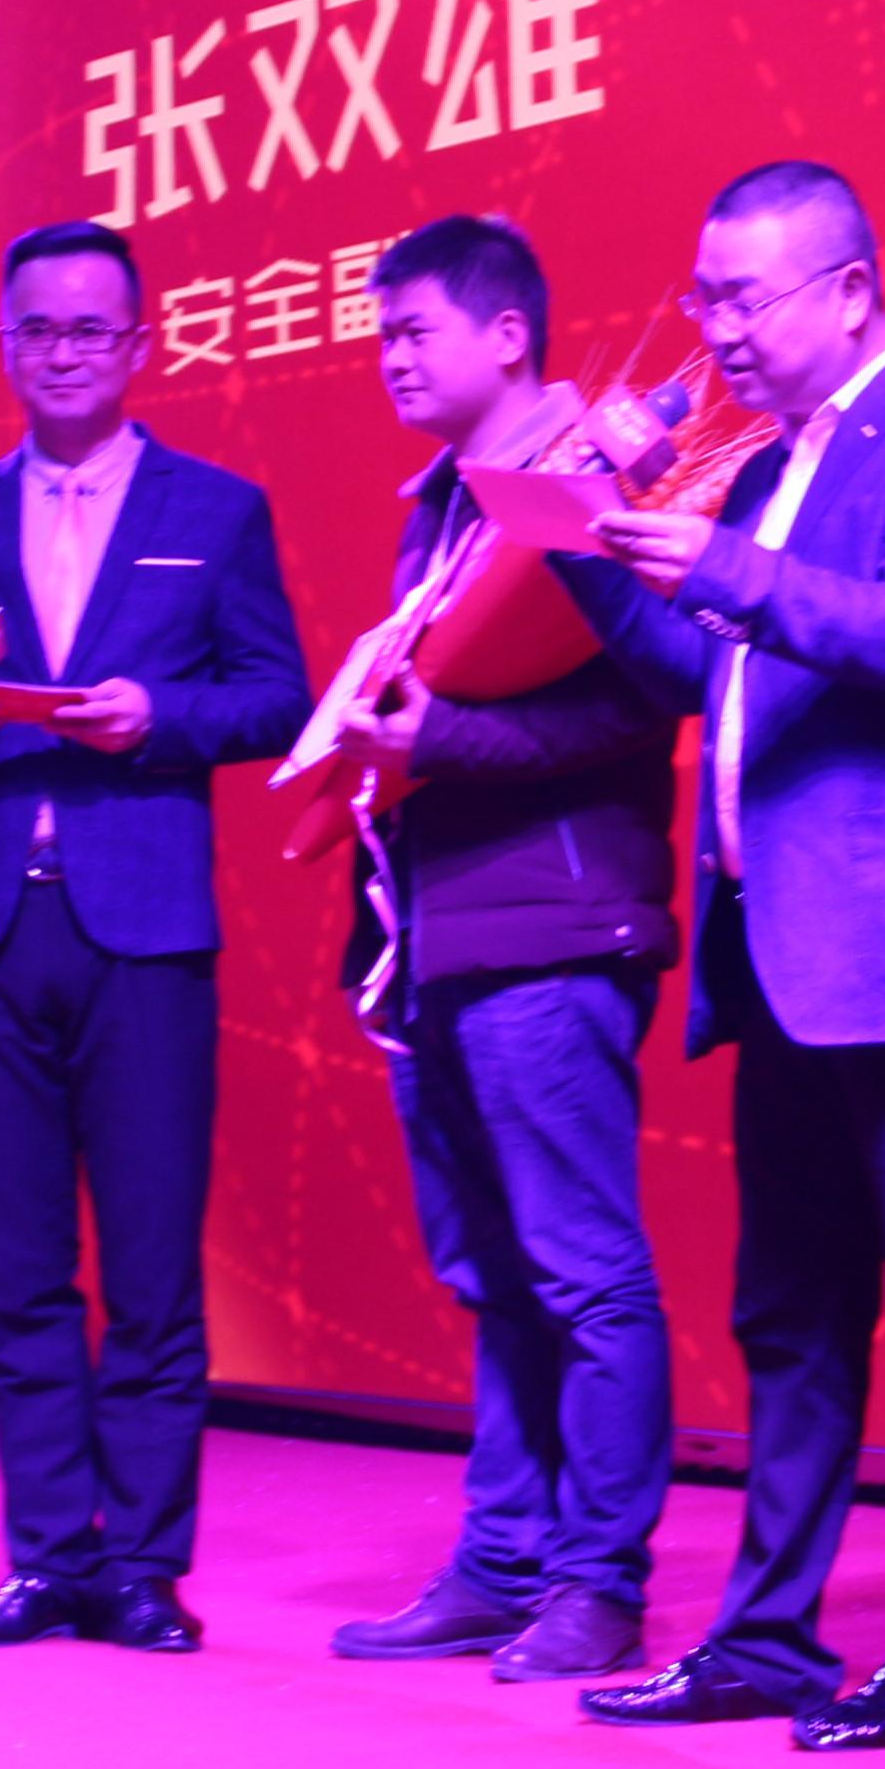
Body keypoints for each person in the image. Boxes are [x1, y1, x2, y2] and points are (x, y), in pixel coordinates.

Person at [561, 162, 885, 1752]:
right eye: (702, 297)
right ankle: (767, 1637)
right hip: (781, 953)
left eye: (742, 298)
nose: (715, 331)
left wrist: (718, 563)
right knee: (792, 1313)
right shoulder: (776, 463)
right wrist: (588, 546)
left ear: (847, 290)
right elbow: (709, 671)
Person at [0, 218, 308, 1656]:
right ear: (6, 346)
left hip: (144, 932)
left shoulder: (216, 509)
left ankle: (146, 1567)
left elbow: (280, 699)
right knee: (19, 1269)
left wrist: (160, 715)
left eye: (90, 330)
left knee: (154, 1271)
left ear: (139, 345)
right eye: (37, 331)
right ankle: (49, 1559)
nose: (63, 354)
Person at [326, 215, 682, 1687]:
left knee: (584, 1269)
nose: (394, 359)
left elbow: (638, 706)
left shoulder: (588, 483)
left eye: (418, 331)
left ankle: (597, 1581)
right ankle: (503, 1557)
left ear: (509, 335)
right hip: (445, 925)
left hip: (555, 921)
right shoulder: (446, 503)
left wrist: (442, 738)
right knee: (490, 1267)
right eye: (384, 336)